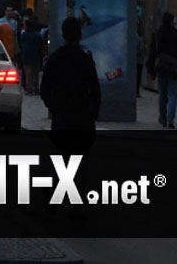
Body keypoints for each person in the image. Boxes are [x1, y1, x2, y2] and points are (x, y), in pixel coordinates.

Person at [40, 16, 100, 220]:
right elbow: (95, 89)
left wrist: (54, 106)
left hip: (62, 117)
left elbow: (45, 89)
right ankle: (75, 206)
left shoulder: (55, 59)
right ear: (79, 34)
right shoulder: (85, 59)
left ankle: (53, 197)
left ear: (63, 34)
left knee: (62, 160)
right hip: (82, 117)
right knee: (81, 163)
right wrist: (93, 113)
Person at [147, 11, 177, 128]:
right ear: (171, 21)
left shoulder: (157, 34)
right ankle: (170, 120)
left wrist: (151, 69)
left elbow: (152, 52)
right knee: (173, 94)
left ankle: (163, 118)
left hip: (162, 67)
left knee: (163, 94)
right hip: (174, 68)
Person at [19, 18, 44, 95]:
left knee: (28, 74)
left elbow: (21, 43)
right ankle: (36, 88)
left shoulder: (24, 34)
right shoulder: (37, 34)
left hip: (27, 57)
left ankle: (29, 88)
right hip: (36, 56)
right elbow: (42, 43)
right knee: (35, 73)